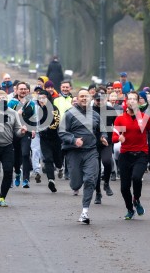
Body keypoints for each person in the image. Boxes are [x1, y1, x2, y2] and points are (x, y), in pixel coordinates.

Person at [59, 89, 108, 224]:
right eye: (81, 96)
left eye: (86, 96)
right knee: (76, 183)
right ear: (78, 98)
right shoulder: (69, 114)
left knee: (90, 179)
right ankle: (75, 183)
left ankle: (85, 211)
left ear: (90, 97)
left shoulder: (95, 115)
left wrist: (103, 137)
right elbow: (62, 132)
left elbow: (102, 129)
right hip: (74, 152)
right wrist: (74, 140)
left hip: (91, 151)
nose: (84, 98)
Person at [113, 91, 150, 219]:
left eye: (135, 99)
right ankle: (130, 209)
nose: (132, 101)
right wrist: (118, 138)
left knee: (137, 178)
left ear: (138, 102)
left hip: (141, 154)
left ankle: (136, 199)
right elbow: (114, 137)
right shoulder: (120, 118)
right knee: (124, 188)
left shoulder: (145, 118)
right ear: (126, 102)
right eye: (130, 99)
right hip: (125, 155)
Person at [8, 82, 36, 188]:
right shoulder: (12, 103)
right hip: (14, 133)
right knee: (14, 157)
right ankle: (17, 173)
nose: (23, 91)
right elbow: (7, 118)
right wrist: (17, 114)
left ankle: (26, 179)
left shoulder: (31, 104)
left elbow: (34, 118)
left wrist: (33, 129)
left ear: (28, 91)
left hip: (26, 132)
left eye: (25, 89)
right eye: (21, 89)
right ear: (16, 91)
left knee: (25, 154)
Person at [92, 88, 116, 204]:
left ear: (105, 100)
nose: (99, 101)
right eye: (97, 100)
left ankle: (106, 183)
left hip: (107, 141)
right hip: (94, 143)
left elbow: (118, 125)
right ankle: (98, 193)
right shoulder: (90, 111)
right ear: (94, 100)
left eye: (101, 99)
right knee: (96, 169)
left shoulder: (111, 110)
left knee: (107, 162)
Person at [36, 90, 62, 192]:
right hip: (44, 139)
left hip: (55, 138)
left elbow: (56, 122)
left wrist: (47, 128)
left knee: (57, 159)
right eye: (40, 98)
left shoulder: (54, 109)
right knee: (48, 159)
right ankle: (51, 180)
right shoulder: (38, 110)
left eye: (43, 98)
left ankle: (60, 168)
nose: (41, 100)